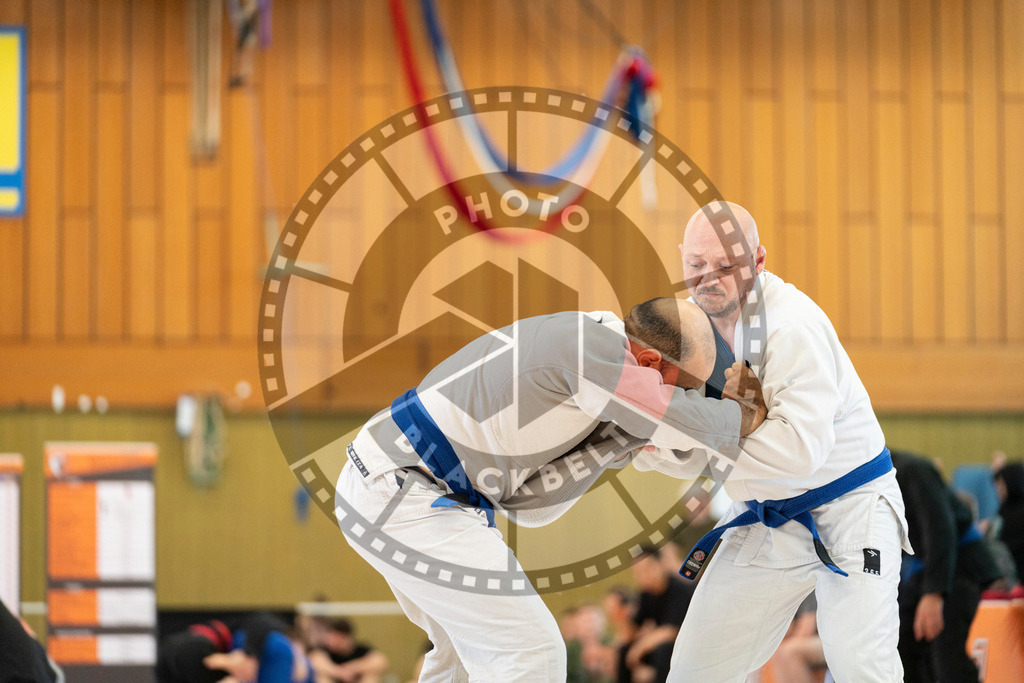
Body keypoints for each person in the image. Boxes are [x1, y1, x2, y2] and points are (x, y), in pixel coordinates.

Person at [336, 300, 767, 682]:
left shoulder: (590, 344)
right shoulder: (591, 352)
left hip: (399, 486)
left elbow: (532, 505)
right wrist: (743, 411)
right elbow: (678, 418)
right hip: (406, 491)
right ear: (650, 362)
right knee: (532, 653)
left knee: (462, 662)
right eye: (685, 387)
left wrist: (627, 440)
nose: (686, 397)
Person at [652, 202, 911, 682]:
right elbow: (685, 448)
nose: (708, 278)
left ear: (758, 261)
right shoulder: (686, 334)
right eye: (696, 264)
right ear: (682, 256)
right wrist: (653, 443)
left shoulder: (793, 327)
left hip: (850, 509)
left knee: (860, 665)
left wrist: (683, 438)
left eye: (725, 265)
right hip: (765, 514)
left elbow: (797, 452)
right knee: (695, 669)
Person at [892, 450, 1003, 682]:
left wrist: (934, 593)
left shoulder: (913, 470)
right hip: (927, 569)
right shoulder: (869, 483)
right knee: (902, 653)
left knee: (949, 662)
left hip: (960, 565)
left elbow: (940, 528)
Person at [618, 547, 693, 683]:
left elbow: (672, 631)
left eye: (646, 569)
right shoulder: (646, 595)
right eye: (637, 572)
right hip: (658, 646)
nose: (642, 575)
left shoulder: (680, 589)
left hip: (683, 647)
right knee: (624, 650)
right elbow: (633, 632)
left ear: (660, 565)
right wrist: (622, 616)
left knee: (664, 649)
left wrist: (640, 647)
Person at [308, 617, 388, 683]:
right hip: (335, 678)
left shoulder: (360, 650)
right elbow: (314, 660)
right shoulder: (325, 651)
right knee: (322, 676)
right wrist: (339, 672)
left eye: (337, 638)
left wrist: (353, 668)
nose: (332, 641)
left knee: (371, 675)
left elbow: (380, 660)